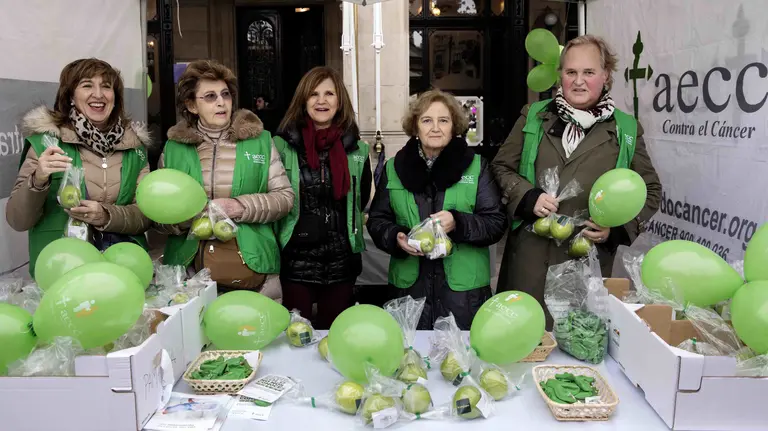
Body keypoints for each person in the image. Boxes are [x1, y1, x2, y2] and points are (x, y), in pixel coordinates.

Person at [491, 35, 662, 328]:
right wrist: (528, 197)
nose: (578, 81)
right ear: (560, 75)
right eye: (571, 72)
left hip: (585, 263)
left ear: (606, 75)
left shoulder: (626, 129)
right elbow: (501, 167)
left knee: (577, 346)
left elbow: (651, 191)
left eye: (589, 72)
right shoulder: (533, 117)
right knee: (521, 340)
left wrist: (616, 229)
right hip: (528, 260)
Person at [367, 89, 507, 330]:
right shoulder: (393, 169)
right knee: (410, 360)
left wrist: (458, 222)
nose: (435, 128)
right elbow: (378, 220)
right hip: (409, 292)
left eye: (443, 120)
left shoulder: (477, 167)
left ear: (455, 126)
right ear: (415, 126)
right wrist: (395, 237)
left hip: (463, 296)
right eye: (427, 120)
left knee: (459, 362)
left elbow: (495, 222)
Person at [157, 60, 294, 301]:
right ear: (191, 105)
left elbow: (284, 199)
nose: (221, 102)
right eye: (209, 96)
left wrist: (238, 207)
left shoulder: (260, 141)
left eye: (225, 94)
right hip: (189, 275)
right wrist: (183, 218)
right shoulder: (173, 149)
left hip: (252, 270)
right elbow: (156, 214)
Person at [6, 58, 151, 278]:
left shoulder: (135, 148)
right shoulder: (47, 143)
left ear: (116, 97)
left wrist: (106, 216)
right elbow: (18, 220)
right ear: (70, 95)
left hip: (122, 270)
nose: (99, 94)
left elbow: (146, 215)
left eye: (106, 86)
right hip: (63, 269)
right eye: (87, 85)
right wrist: (38, 179)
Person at [273, 66, 372, 329]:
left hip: (342, 261)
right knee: (294, 337)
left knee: (336, 338)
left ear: (340, 101)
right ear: (303, 100)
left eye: (329, 93)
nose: (321, 101)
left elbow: (359, 200)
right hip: (296, 261)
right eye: (314, 94)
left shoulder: (358, 148)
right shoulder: (282, 146)